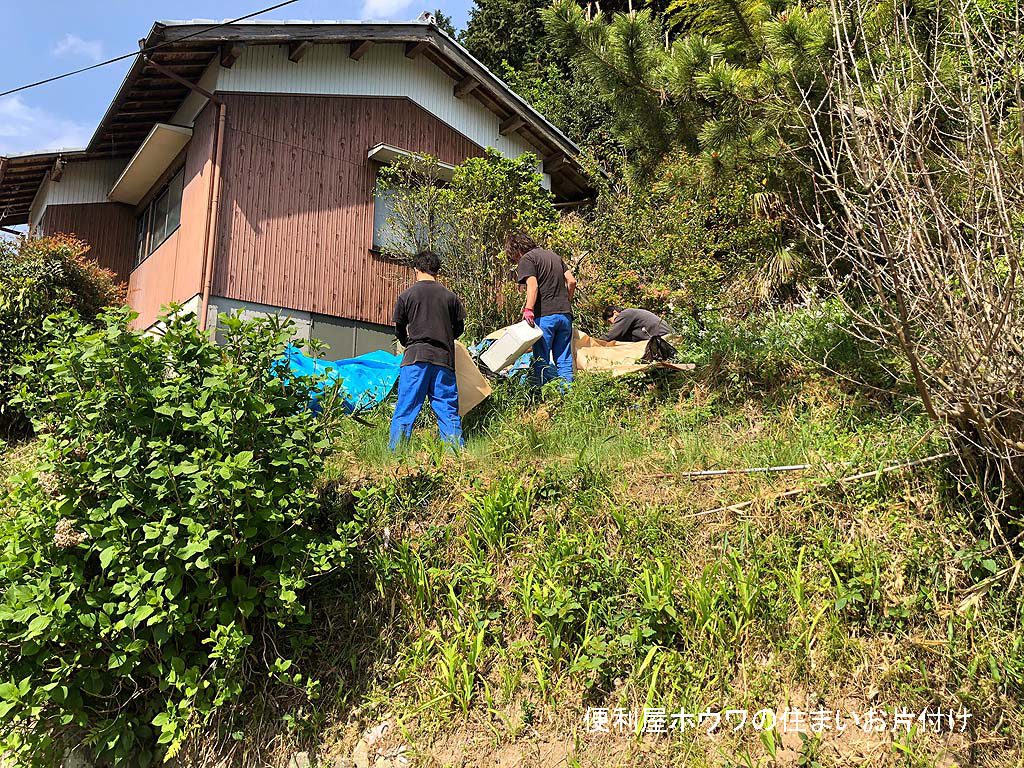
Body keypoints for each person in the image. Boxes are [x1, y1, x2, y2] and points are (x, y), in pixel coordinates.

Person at [389, 251, 466, 451]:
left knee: (406, 409)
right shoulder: (451, 297)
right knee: (447, 411)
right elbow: (459, 329)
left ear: (416, 269)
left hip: (415, 359)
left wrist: (409, 343)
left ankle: (396, 456)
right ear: (437, 271)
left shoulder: (407, 295)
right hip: (443, 360)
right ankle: (455, 457)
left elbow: (398, 329)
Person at [506, 231, 577, 386]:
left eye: (514, 257)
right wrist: (567, 301)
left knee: (541, 360)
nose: (516, 260)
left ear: (517, 249)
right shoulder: (554, 256)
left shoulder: (527, 259)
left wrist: (528, 310)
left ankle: (541, 397)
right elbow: (571, 281)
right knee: (564, 359)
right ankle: (568, 397)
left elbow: (533, 286)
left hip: (545, 316)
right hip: (565, 315)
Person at [602, 306, 674, 342]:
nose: (612, 324)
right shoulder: (631, 314)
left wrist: (595, 342)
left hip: (664, 338)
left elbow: (611, 336)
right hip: (668, 336)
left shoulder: (625, 314)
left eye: (609, 321)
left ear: (615, 312)